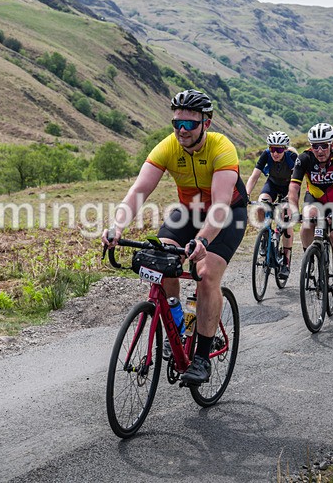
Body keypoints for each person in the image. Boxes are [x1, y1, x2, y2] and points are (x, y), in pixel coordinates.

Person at [102, 89, 248, 385]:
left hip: (228, 215)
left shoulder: (222, 148)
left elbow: (219, 207)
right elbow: (137, 191)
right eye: (177, 123)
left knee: (206, 275)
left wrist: (204, 240)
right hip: (189, 210)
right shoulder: (168, 147)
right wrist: (116, 227)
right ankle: (177, 322)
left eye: (189, 124)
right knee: (160, 259)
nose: (181, 130)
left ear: (205, 124)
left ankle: (202, 358)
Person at [287, 123, 333, 304]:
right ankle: (311, 259)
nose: (320, 150)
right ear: (310, 146)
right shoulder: (304, 158)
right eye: (315, 146)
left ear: (332, 144)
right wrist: (293, 210)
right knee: (307, 220)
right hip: (315, 198)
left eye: (324, 145)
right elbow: (293, 188)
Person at [244, 131, 297, 277]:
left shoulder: (292, 157)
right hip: (272, 184)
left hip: (289, 186)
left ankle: (286, 262)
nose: (275, 153)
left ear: (285, 149)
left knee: (286, 221)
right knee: (261, 204)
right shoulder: (266, 155)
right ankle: (265, 236)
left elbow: (295, 181)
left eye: (279, 149)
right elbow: (254, 176)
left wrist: (288, 198)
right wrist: (246, 194)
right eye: (272, 149)